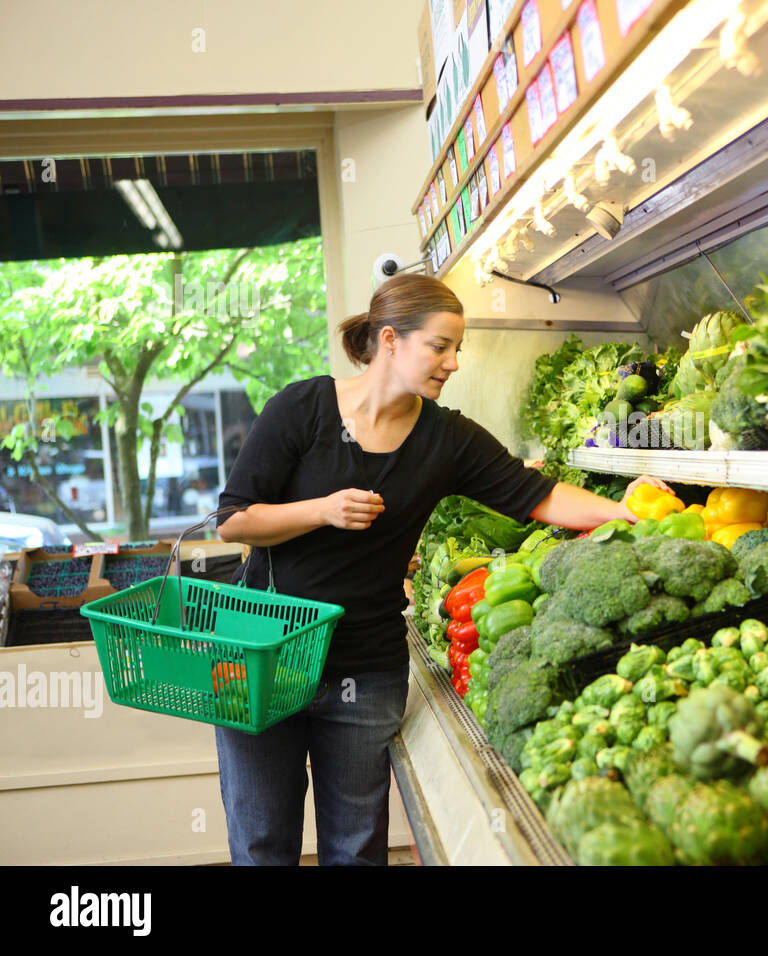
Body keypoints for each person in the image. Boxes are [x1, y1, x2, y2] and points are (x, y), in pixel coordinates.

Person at [215, 273, 670, 865]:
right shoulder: (302, 409)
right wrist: (323, 510)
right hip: (262, 657)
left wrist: (627, 511)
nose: (454, 363)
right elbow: (234, 521)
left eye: (459, 349)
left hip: (364, 667)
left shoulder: (447, 439)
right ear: (390, 341)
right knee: (260, 843)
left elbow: (537, 495)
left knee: (354, 850)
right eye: (440, 346)